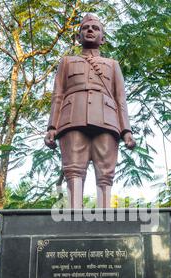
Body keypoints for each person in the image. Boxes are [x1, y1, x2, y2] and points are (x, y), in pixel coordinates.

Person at [44, 13, 136, 208]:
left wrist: (126, 130)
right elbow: (57, 94)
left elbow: (120, 99)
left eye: (95, 28)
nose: (90, 30)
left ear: (102, 38)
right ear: (78, 37)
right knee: (73, 168)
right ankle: (75, 212)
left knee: (105, 170)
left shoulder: (113, 65)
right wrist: (52, 126)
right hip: (72, 118)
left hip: (107, 119)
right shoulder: (66, 62)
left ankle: (104, 213)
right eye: (86, 28)